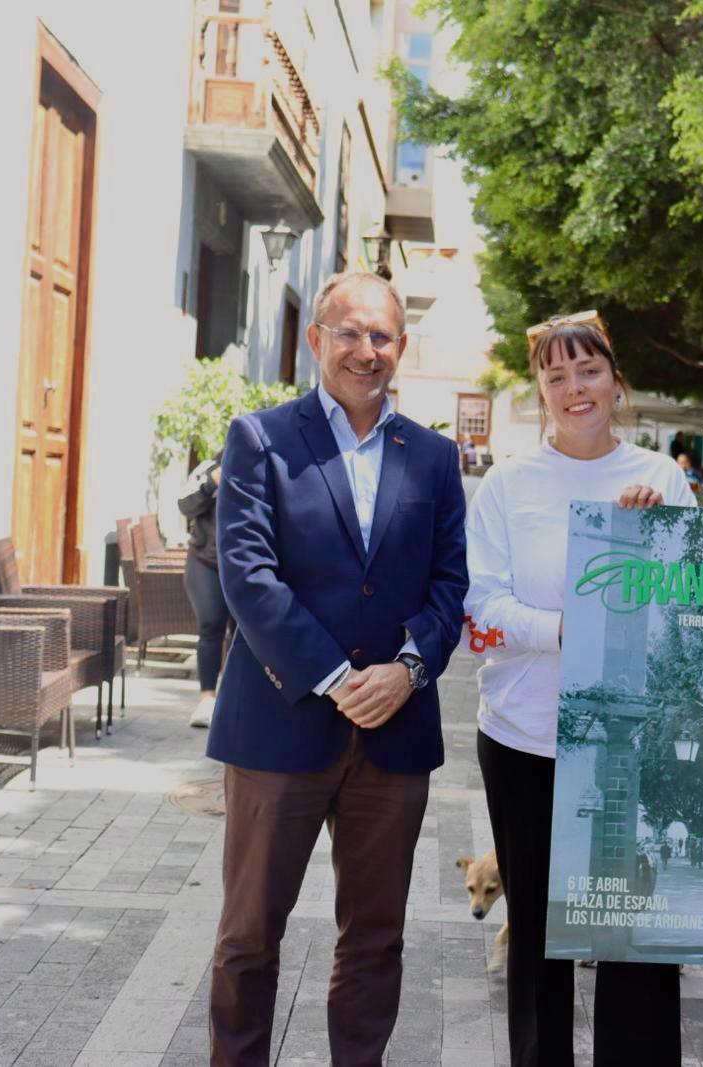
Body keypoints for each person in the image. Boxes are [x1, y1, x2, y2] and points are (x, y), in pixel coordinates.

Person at [206, 272, 469, 1065]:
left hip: (394, 734)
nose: (366, 350)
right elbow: (247, 575)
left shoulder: (434, 456)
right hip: (278, 727)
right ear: (317, 339)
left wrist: (408, 669)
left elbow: (450, 585)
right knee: (249, 935)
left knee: (376, 939)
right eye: (349, 332)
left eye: (381, 336)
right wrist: (333, 675)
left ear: (401, 346)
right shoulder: (260, 439)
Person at [463, 311, 692, 1067]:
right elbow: (479, 609)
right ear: (540, 390)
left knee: (632, 939)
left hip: (631, 744)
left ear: (615, 380)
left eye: (587, 370)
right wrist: (566, 629)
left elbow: (689, 610)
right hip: (524, 736)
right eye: (555, 375)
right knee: (536, 937)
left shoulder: (661, 478)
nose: (574, 388)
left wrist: (661, 536)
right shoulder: (508, 483)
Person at [179, 451, 230, 728]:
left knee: (246, 633)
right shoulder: (210, 467)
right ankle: (207, 699)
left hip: (244, 565)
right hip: (205, 560)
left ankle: (234, 697)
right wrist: (211, 482)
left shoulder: (263, 463)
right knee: (210, 626)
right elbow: (185, 505)